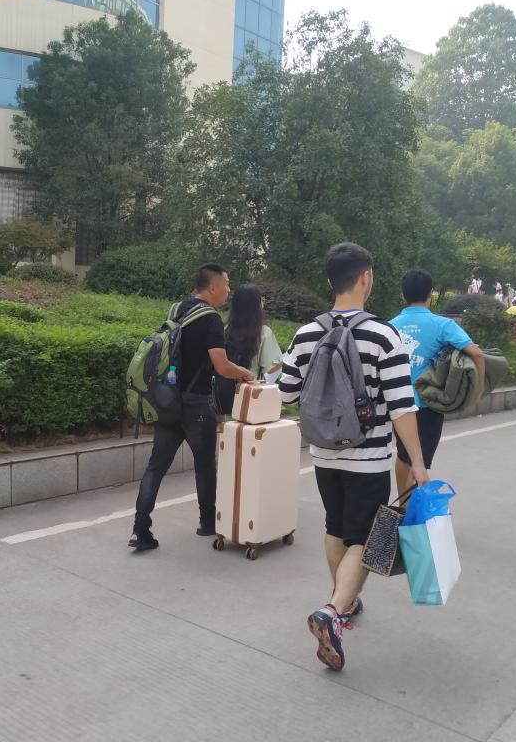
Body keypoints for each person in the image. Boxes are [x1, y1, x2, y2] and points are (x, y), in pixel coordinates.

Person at [279, 243, 428, 672]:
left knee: (335, 527)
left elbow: (286, 393)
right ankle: (332, 611)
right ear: (366, 278)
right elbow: (402, 407)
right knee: (366, 538)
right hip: (368, 457)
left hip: (324, 454)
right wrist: (417, 463)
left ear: (330, 280)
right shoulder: (384, 335)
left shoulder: (307, 332)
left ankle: (343, 603)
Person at [129, 264, 256, 550]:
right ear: (212, 287)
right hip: (196, 404)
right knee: (204, 466)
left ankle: (140, 529)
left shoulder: (176, 310)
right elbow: (221, 366)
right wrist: (245, 374)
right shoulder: (211, 319)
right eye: (226, 284)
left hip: (168, 401)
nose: (228, 290)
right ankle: (207, 522)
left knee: (155, 466)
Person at [391, 270, 486, 489]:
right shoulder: (443, 325)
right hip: (428, 402)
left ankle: (403, 503)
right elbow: (477, 354)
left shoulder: (390, 326)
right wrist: (478, 388)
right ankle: (411, 505)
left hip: (398, 402)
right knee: (419, 459)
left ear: (403, 295)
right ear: (430, 294)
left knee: (405, 453)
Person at [214, 284, 283, 415]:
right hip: (250, 401)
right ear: (257, 306)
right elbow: (273, 369)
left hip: (221, 400)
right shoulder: (264, 333)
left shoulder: (223, 330)